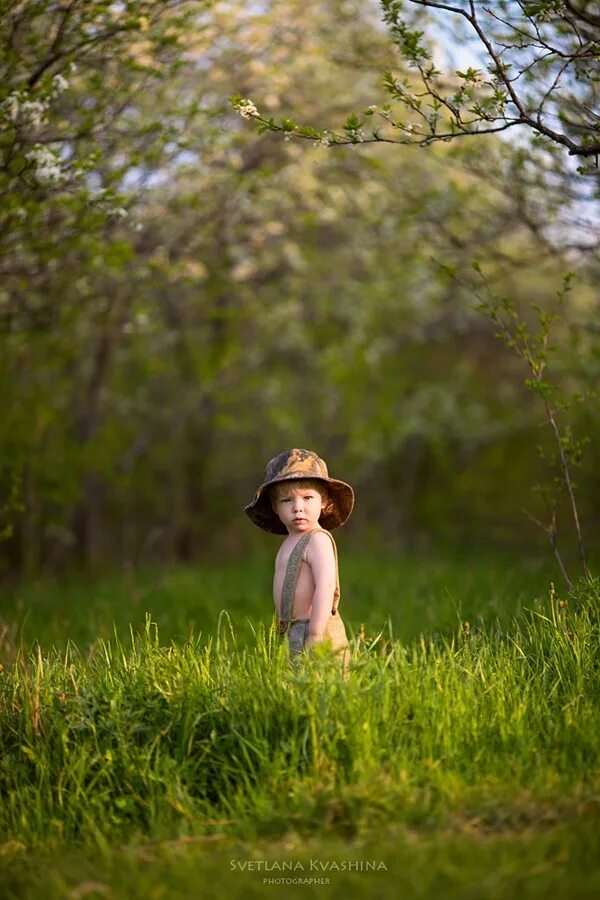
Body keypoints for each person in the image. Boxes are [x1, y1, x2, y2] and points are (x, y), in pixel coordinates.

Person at [244, 448, 354, 672]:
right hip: (292, 630)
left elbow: (326, 586)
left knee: (324, 684)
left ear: (323, 501)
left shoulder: (317, 540)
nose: (298, 508)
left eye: (307, 498)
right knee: (296, 686)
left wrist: (316, 631)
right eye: (287, 500)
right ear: (275, 507)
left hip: (315, 628)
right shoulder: (289, 541)